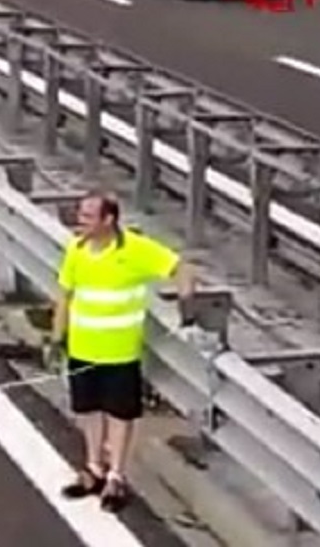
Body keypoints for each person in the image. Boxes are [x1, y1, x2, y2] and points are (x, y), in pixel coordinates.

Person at [52, 192, 195, 512]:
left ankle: (116, 476)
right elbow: (64, 295)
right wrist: (56, 337)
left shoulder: (136, 250)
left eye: (88, 216)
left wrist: (187, 304)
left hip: (120, 353)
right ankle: (93, 469)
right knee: (87, 411)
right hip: (82, 349)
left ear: (108, 220)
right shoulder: (76, 250)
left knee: (120, 415)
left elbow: (182, 268)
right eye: (81, 214)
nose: (80, 221)